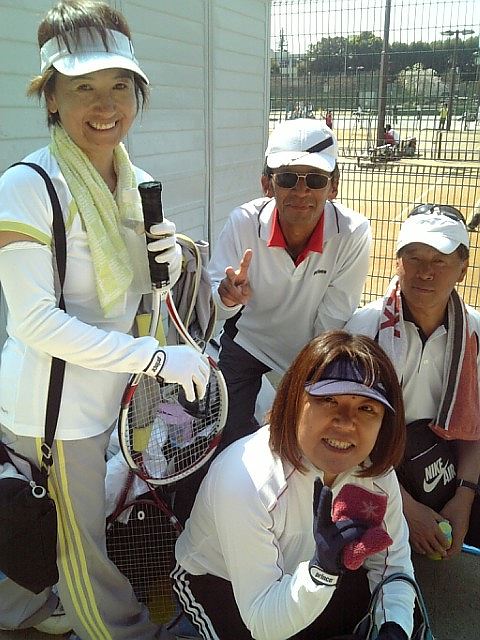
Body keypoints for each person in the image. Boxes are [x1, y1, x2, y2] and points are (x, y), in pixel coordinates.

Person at [0, 1, 209, 638]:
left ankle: (21, 611)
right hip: (54, 411)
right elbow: (34, 323)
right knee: (80, 550)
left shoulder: (133, 182)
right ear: (50, 97)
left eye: (120, 85)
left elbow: (131, 298)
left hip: (102, 401)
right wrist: (155, 358)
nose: (106, 104)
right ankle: (125, 629)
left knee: (42, 526)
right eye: (83, 87)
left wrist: (166, 267)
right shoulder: (28, 187)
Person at [172, 330, 415, 640]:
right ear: (294, 401)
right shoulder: (247, 479)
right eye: (328, 400)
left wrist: (394, 628)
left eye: (367, 408)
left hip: (313, 573)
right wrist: (321, 572)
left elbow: (393, 567)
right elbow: (262, 622)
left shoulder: (375, 475)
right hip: (223, 584)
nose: (345, 422)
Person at [208, 118, 371, 450]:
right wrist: (227, 298)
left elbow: (332, 320)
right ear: (267, 184)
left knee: (300, 446)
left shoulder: (353, 232)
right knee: (227, 440)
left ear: (333, 186)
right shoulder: (243, 222)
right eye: (287, 178)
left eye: (315, 179)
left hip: (312, 350)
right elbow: (215, 307)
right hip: (248, 342)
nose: (301, 192)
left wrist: (297, 389)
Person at [345, 205, 480, 564]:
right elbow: (347, 434)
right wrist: (405, 507)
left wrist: (463, 498)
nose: (425, 272)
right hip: (375, 464)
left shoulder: (474, 332)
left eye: (439, 261)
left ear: (463, 269)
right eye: (414, 257)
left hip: (445, 463)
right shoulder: (364, 330)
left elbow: (474, 426)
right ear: (397, 262)